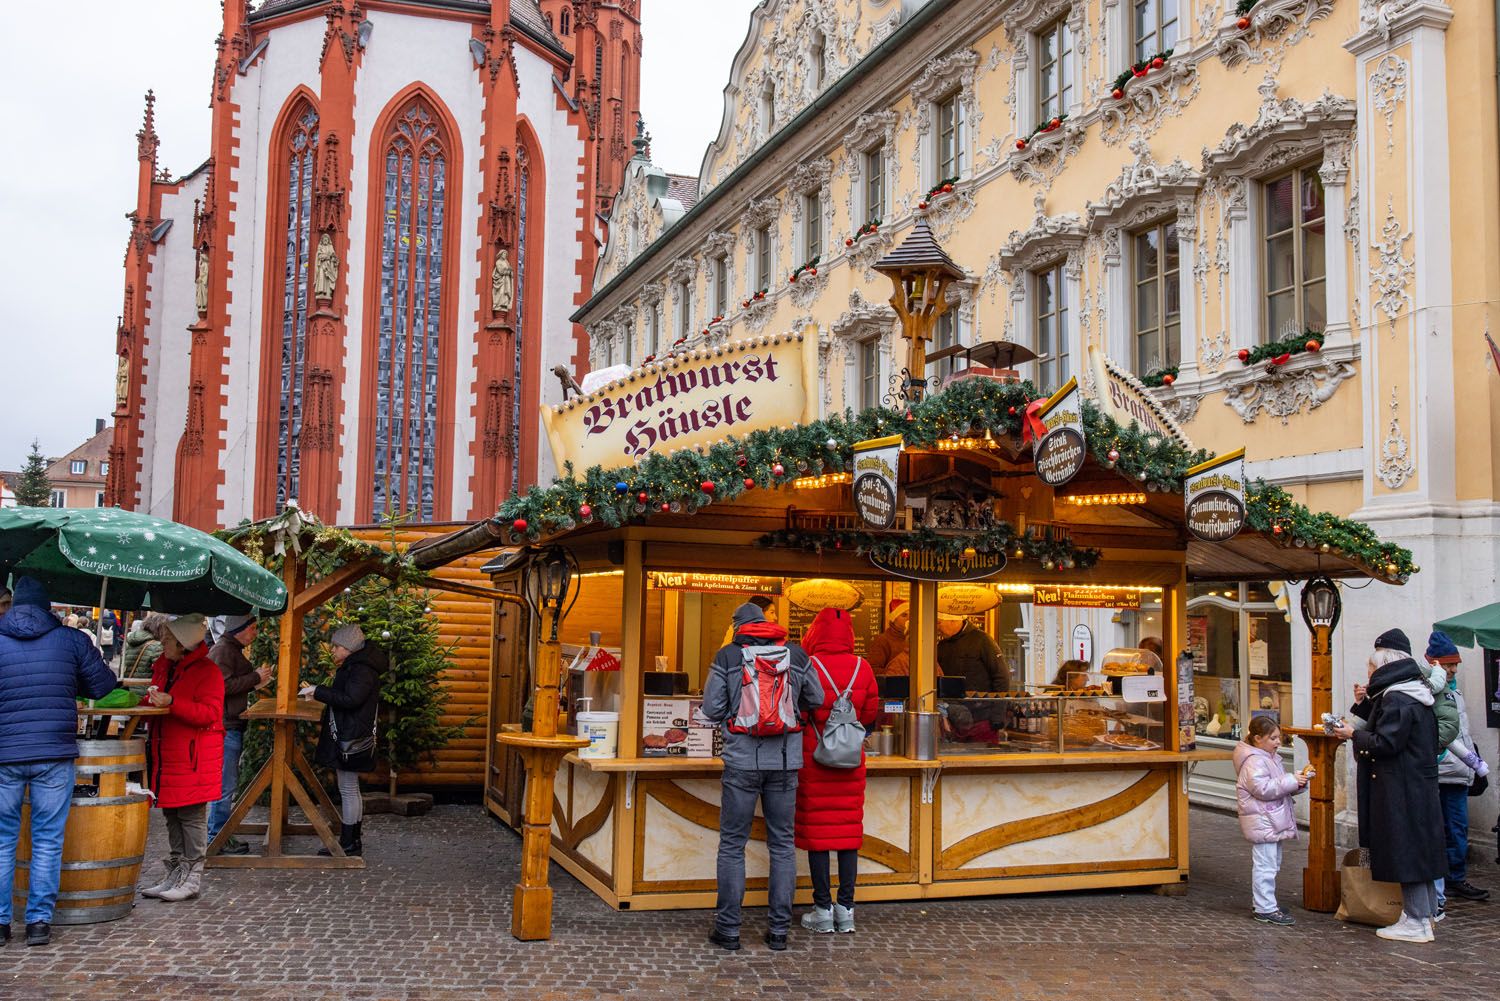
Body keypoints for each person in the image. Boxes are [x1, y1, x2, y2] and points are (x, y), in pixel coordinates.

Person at [0, 577, 117, 946]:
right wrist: (68, 680)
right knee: (48, 839)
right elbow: (103, 685)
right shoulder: (71, 640)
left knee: (2, 840)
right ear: (47, 607)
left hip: (4, 754)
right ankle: (38, 923)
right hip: (54, 753)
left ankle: (0, 923)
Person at [701, 601, 823, 952]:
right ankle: (779, 931)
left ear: (738, 627)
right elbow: (816, 698)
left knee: (732, 845)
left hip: (741, 761)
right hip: (784, 762)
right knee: (782, 845)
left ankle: (728, 930)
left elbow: (711, 708)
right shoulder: (796, 655)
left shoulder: (728, 656)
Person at [1330, 629, 1447, 943]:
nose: (1368, 672)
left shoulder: (1397, 698)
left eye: (1371, 667)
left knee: (1407, 851)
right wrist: (1363, 707)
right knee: (1417, 852)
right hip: (1413, 785)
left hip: (1401, 788)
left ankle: (1417, 920)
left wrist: (1352, 735)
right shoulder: (1411, 694)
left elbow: (1385, 742)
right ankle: (1421, 916)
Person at [794, 607, 881, 935]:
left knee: (818, 837)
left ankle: (822, 910)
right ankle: (846, 910)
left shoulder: (809, 665)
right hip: (850, 760)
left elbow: (799, 710)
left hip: (814, 759)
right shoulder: (863, 667)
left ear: (815, 633)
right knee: (847, 836)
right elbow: (870, 714)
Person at [140, 613, 225, 904]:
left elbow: (210, 714)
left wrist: (173, 703)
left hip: (192, 757)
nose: (162, 643)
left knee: (191, 816)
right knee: (172, 814)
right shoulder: (165, 666)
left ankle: (192, 877)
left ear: (182, 643)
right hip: (168, 754)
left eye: (167, 639)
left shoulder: (207, 672)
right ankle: (176, 873)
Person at [302, 624, 382, 857]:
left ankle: (348, 843)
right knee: (351, 789)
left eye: (336, 646)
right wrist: (319, 692)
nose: (333, 650)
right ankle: (352, 839)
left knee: (347, 789)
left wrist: (318, 691)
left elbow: (350, 699)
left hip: (351, 735)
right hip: (353, 733)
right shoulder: (361, 666)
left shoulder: (361, 669)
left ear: (348, 648)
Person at [1425, 632, 1490, 902]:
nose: (1453, 669)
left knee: (1458, 828)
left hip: (1459, 773)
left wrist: (1473, 764)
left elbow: (1462, 732)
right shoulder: (1428, 692)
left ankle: (1455, 878)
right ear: (1434, 663)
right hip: (1440, 773)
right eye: (1448, 664)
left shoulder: (1457, 692)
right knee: (1441, 830)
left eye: (1455, 664)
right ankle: (1442, 880)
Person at [1234, 715, 1310, 926]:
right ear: (1258, 738)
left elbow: (1278, 786)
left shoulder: (1269, 757)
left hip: (1270, 819)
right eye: (1273, 738)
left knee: (1271, 864)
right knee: (1265, 865)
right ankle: (1265, 908)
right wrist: (1291, 780)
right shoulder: (1255, 761)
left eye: (1279, 737)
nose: (1278, 742)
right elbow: (1263, 789)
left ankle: (1264, 903)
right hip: (1263, 819)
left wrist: (1297, 782)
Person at [206, 614, 273, 854]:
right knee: (224, 786)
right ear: (239, 629)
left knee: (226, 785)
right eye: (252, 628)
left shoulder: (229, 649)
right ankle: (217, 838)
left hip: (229, 725)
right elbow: (221, 686)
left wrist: (254, 681)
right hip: (225, 727)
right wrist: (255, 677)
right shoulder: (224, 650)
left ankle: (220, 835)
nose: (255, 633)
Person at [937, 615, 1010, 692]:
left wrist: (997, 699)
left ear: (953, 621)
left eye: (938, 623)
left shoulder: (982, 640)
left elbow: (1001, 676)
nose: (937, 628)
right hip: (949, 699)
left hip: (979, 699)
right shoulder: (942, 646)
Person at [867, 598, 909, 676]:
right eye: (904, 615)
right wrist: (895, 673)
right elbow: (872, 669)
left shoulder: (917, 639)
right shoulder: (882, 640)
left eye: (912, 615)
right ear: (894, 619)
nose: (909, 619)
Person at [122, 612, 167, 680]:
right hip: (145, 685)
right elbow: (162, 672)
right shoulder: (156, 646)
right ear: (160, 628)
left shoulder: (128, 642)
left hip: (127, 684)